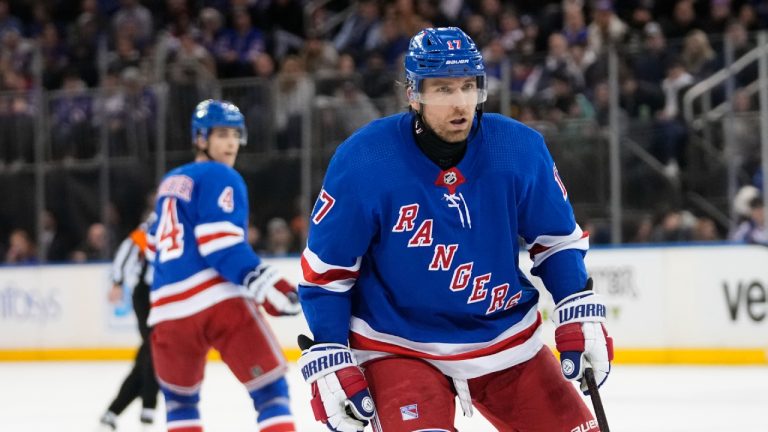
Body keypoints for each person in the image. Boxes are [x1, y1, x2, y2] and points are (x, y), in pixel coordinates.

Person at [297, 27, 613, 432]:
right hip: (397, 346)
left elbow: (554, 241)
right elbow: (327, 275)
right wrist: (331, 350)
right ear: (413, 93)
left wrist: (573, 302)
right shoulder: (364, 160)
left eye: (468, 86)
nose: (460, 103)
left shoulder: (517, 148)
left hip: (506, 339)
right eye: (443, 90)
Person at [147, 99, 300, 432]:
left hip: (167, 314)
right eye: (221, 135)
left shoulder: (169, 182)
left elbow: (152, 245)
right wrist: (269, 284)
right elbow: (220, 244)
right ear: (201, 139)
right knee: (271, 391)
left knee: (180, 404)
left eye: (235, 134)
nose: (231, 143)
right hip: (218, 302)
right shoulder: (220, 175)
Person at [100, 219, 160, 430]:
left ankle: (114, 410)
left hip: (164, 293)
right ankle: (148, 404)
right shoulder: (155, 221)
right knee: (155, 347)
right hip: (146, 293)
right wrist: (117, 281)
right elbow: (128, 248)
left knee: (150, 351)